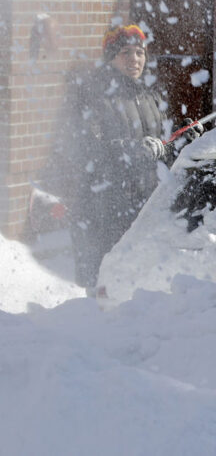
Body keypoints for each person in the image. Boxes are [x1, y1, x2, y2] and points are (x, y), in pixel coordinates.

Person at [61, 24, 203, 293]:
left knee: (139, 285)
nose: (134, 59)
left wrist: (182, 137)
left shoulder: (148, 95)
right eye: (125, 52)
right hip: (103, 207)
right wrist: (133, 149)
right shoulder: (93, 95)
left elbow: (160, 146)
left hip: (142, 201)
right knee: (103, 286)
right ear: (110, 58)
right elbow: (86, 147)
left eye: (139, 52)